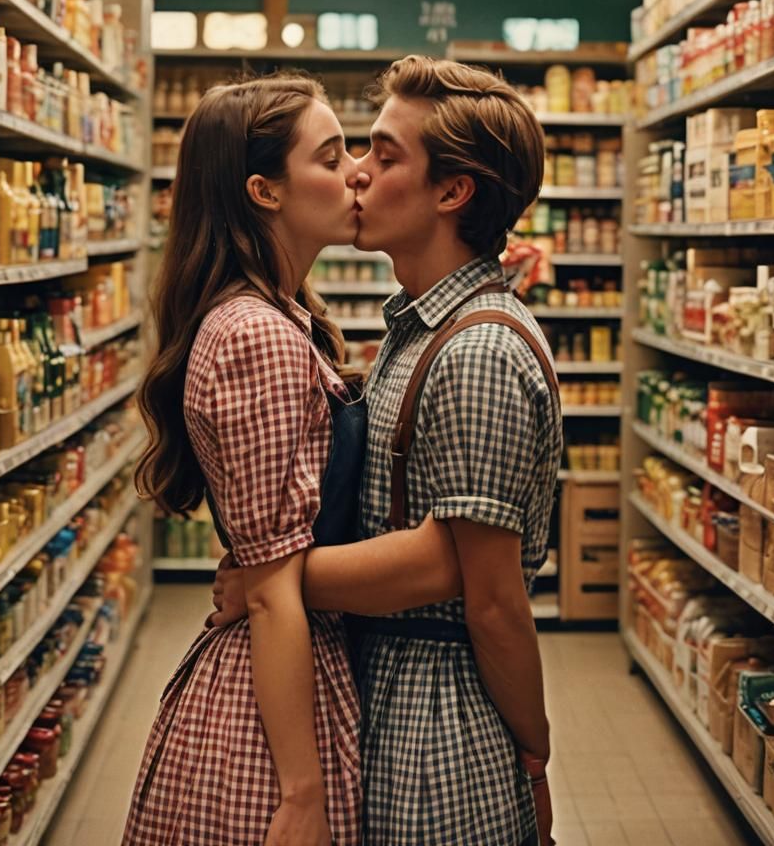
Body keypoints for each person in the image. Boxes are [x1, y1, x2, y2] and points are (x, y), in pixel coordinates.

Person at [212, 55, 561, 846]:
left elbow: (488, 594)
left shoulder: (476, 352)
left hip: (438, 738)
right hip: (382, 694)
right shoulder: (416, 330)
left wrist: (534, 750)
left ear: (452, 191)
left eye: (383, 154)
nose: (357, 175)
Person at [122, 72, 463, 846]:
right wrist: (301, 794)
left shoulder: (282, 316)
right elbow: (275, 594)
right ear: (264, 191)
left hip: (287, 668)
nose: (356, 174)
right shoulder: (257, 336)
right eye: (331, 155)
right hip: (274, 708)